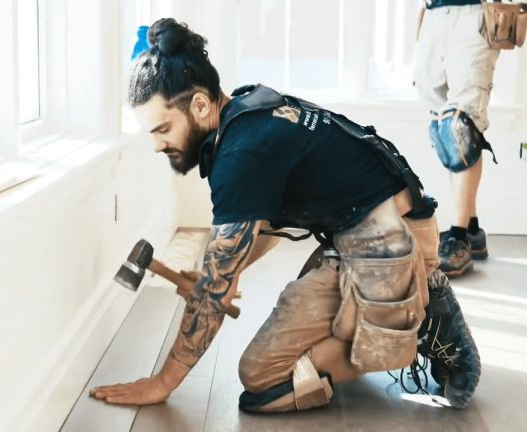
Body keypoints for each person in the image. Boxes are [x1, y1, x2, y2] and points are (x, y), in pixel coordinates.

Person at [89, 18, 480, 412]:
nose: (158, 145)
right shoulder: (248, 108)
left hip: (390, 245)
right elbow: (269, 222)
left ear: (200, 105)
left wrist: (163, 382)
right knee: (301, 338)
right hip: (372, 232)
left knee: (262, 378)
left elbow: (218, 286)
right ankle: (389, 314)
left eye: (162, 129)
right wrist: (224, 274)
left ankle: (420, 320)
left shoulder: (241, 155)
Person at [414, 0, 501, 277]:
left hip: (472, 13)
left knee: (461, 126)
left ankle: (459, 236)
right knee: (444, 129)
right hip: (433, 15)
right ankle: (472, 231)